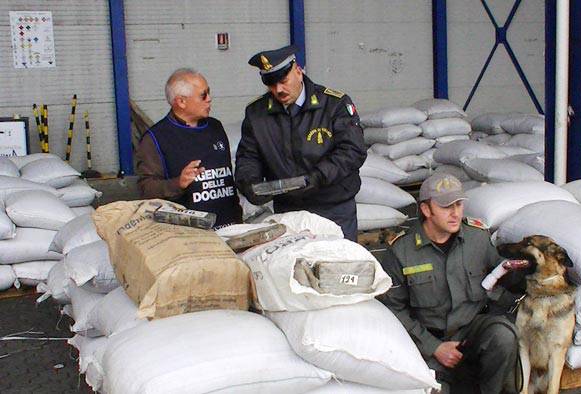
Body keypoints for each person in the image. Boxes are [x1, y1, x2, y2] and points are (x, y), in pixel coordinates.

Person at [378, 173, 522, 394]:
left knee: (503, 335)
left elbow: (500, 278)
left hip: (472, 332)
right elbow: (394, 309)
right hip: (427, 341)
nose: (455, 213)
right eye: (446, 207)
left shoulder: (478, 238)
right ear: (426, 210)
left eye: (459, 204)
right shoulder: (401, 251)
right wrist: (434, 347)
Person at [235, 45, 367, 241]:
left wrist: (317, 177)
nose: (278, 90)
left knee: (339, 266)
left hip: (333, 207)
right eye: (271, 85)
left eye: (283, 80)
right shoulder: (257, 113)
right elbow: (248, 157)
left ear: (298, 71)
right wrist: (250, 184)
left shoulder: (334, 104)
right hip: (289, 210)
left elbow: (352, 151)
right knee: (293, 268)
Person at [135, 68, 242, 228]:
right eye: (203, 95)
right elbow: (146, 188)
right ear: (181, 102)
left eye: (209, 92)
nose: (209, 99)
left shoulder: (215, 127)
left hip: (231, 226)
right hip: (190, 234)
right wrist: (178, 183)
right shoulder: (156, 138)